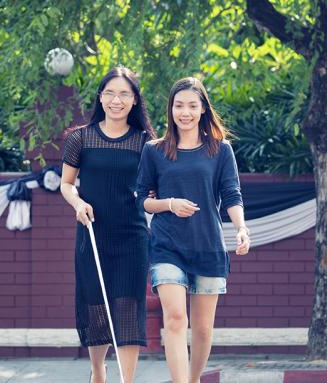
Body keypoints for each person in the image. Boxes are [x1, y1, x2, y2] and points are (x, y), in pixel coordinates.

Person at [135, 77, 250, 383]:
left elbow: (232, 194)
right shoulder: (154, 151)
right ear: (170, 109)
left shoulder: (220, 150)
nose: (184, 112)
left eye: (192, 106)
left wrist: (241, 228)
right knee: (175, 319)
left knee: (202, 328)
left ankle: (194, 378)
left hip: (207, 245)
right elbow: (141, 201)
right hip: (167, 246)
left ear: (202, 110)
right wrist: (169, 204)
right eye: (179, 105)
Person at [60, 66, 156, 383]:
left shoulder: (145, 143)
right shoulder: (80, 138)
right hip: (92, 233)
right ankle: (99, 371)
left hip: (132, 237)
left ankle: (127, 380)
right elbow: (67, 185)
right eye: (111, 93)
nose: (117, 100)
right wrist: (78, 203)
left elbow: (154, 188)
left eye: (124, 94)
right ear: (101, 98)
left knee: (128, 308)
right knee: (97, 306)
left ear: (134, 100)